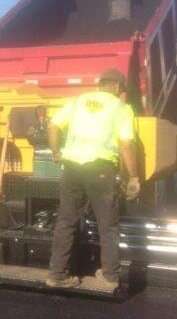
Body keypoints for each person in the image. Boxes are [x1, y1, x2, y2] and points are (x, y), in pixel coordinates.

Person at [45, 69, 140, 290]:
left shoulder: (78, 102)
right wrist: (134, 177)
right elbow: (126, 144)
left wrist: (56, 152)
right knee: (108, 226)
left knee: (66, 221)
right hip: (100, 170)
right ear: (117, 87)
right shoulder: (121, 108)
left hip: (72, 168)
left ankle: (57, 275)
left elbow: (52, 125)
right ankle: (109, 275)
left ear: (100, 84)